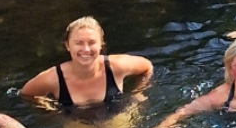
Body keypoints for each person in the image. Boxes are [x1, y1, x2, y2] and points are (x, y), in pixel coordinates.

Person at [20, 17, 154, 109]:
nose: (86, 49)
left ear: (101, 44)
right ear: (67, 46)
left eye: (92, 42)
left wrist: (137, 93)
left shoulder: (116, 66)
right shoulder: (53, 78)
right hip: (77, 122)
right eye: (78, 43)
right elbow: (26, 94)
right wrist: (49, 110)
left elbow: (147, 67)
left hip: (116, 115)